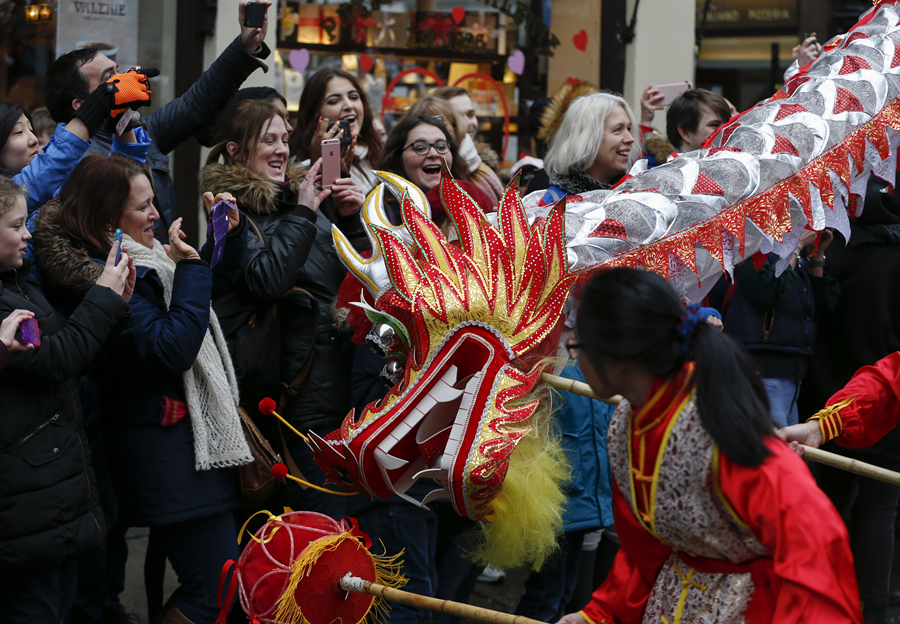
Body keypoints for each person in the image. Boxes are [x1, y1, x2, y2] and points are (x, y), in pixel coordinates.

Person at [556, 268, 862, 624]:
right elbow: (647, 548)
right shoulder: (627, 423)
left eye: (576, 346)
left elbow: (816, 553)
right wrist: (600, 613)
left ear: (617, 357)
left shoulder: (718, 424)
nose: (573, 358)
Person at [33, 155, 251, 624]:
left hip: (182, 453)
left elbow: (204, 298)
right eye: (144, 207)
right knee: (214, 590)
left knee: (218, 585)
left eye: (154, 202)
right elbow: (170, 348)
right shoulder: (103, 278)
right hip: (166, 454)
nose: (157, 214)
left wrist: (223, 242)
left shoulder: (141, 259)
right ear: (108, 219)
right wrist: (190, 268)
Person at [202, 98, 364, 520]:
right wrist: (306, 211)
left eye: (284, 139)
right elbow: (267, 280)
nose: (281, 150)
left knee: (342, 520)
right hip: (292, 396)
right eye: (267, 140)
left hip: (334, 382)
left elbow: (343, 277)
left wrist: (348, 219)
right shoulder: (227, 209)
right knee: (321, 524)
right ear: (235, 150)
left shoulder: (294, 199)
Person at [0, 175, 134, 623]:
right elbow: (56, 358)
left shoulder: (18, 281)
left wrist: (112, 301)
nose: (28, 234)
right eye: (17, 225)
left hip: (50, 486)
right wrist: (104, 298)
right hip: (26, 496)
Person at [43, 0, 272, 239]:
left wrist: (244, 46)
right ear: (81, 105)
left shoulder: (142, 132)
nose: (122, 79)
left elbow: (198, 101)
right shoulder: (69, 166)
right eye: (109, 78)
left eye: (118, 70)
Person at [721, 228, 839, 427]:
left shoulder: (789, 246)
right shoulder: (749, 241)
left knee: (784, 449)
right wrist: (798, 244)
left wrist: (816, 253)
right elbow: (766, 293)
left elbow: (820, 307)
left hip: (792, 374)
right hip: (761, 372)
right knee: (768, 452)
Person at [1, 86, 149, 215]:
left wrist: (123, 122)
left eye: (31, 130)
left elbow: (116, 185)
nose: (33, 140)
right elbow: (39, 179)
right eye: (19, 132)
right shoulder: (9, 198)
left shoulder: (62, 183)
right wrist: (96, 105)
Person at [290, 68, 384, 195]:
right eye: (334, 101)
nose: (349, 105)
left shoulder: (375, 155)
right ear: (315, 114)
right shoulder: (302, 172)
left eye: (354, 97)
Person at [538, 92, 639, 204]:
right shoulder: (552, 204)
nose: (630, 139)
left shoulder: (637, 195)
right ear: (586, 138)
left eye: (629, 129)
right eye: (617, 129)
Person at [407, 96, 503, 208]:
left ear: (456, 129)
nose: (433, 153)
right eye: (420, 148)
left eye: (439, 124)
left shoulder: (479, 178)